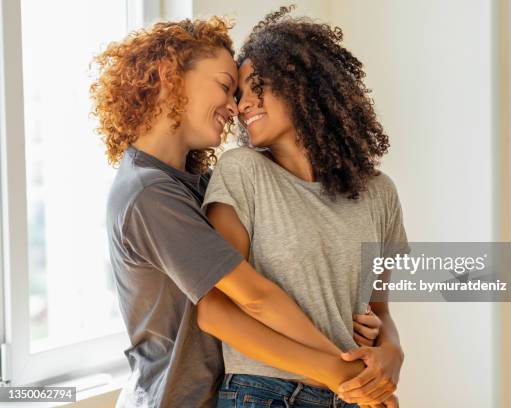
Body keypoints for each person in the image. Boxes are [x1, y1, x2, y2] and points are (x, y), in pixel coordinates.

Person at [91, 17, 382, 408]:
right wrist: (347, 370)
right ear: (168, 75)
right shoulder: (149, 195)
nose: (234, 107)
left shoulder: (196, 182)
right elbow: (255, 297)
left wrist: (360, 326)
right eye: (226, 87)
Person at [204, 6, 408, 408]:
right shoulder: (242, 172)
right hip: (266, 393)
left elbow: (378, 309)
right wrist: (341, 372)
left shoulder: (379, 193)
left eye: (255, 85)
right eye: (238, 94)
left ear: (304, 84)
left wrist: (392, 353)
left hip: (351, 393)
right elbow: (215, 312)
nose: (243, 104)